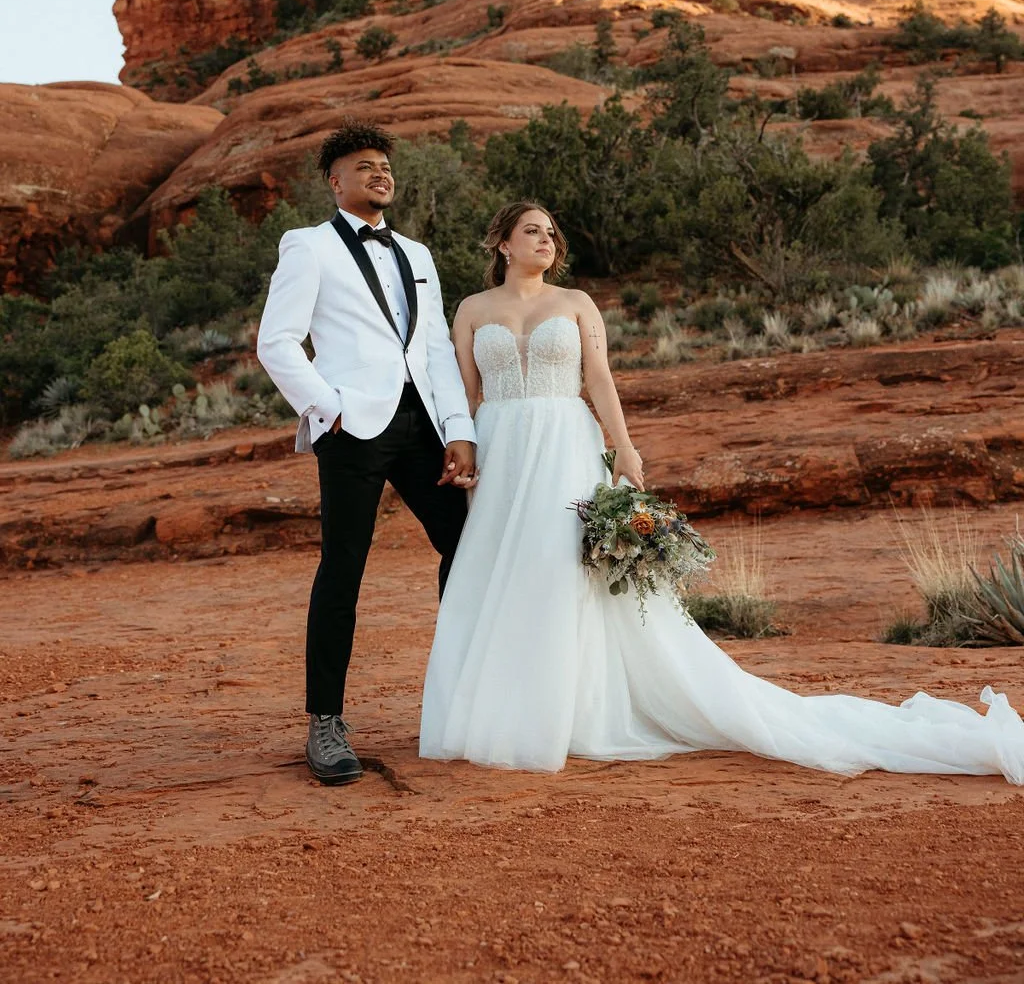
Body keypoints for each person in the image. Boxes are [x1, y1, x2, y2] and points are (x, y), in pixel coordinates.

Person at [419, 201, 1024, 783]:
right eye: (532, 231)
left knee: (561, 569)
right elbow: (466, 394)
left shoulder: (576, 302)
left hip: (564, 445)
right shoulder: (472, 308)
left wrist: (623, 446)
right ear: (503, 243)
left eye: (551, 232)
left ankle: (567, 710)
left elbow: (599, 380)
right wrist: (462, 446)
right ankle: (503, 707)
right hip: (502, 449)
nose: (546, 240)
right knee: (504, 570)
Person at [257, 120, 476, 785]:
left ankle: (463, 695)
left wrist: (458, 425)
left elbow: (434, 347)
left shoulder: (417, 253)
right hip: (353, 427)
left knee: (470, 547)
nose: (380, 173)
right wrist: (332, 410)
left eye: (385, 163)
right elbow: (277, 342)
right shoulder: (308, 246)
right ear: (336, 180)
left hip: (422, 427)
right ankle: (325, 721)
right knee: (343, 571)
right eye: (364, 165)